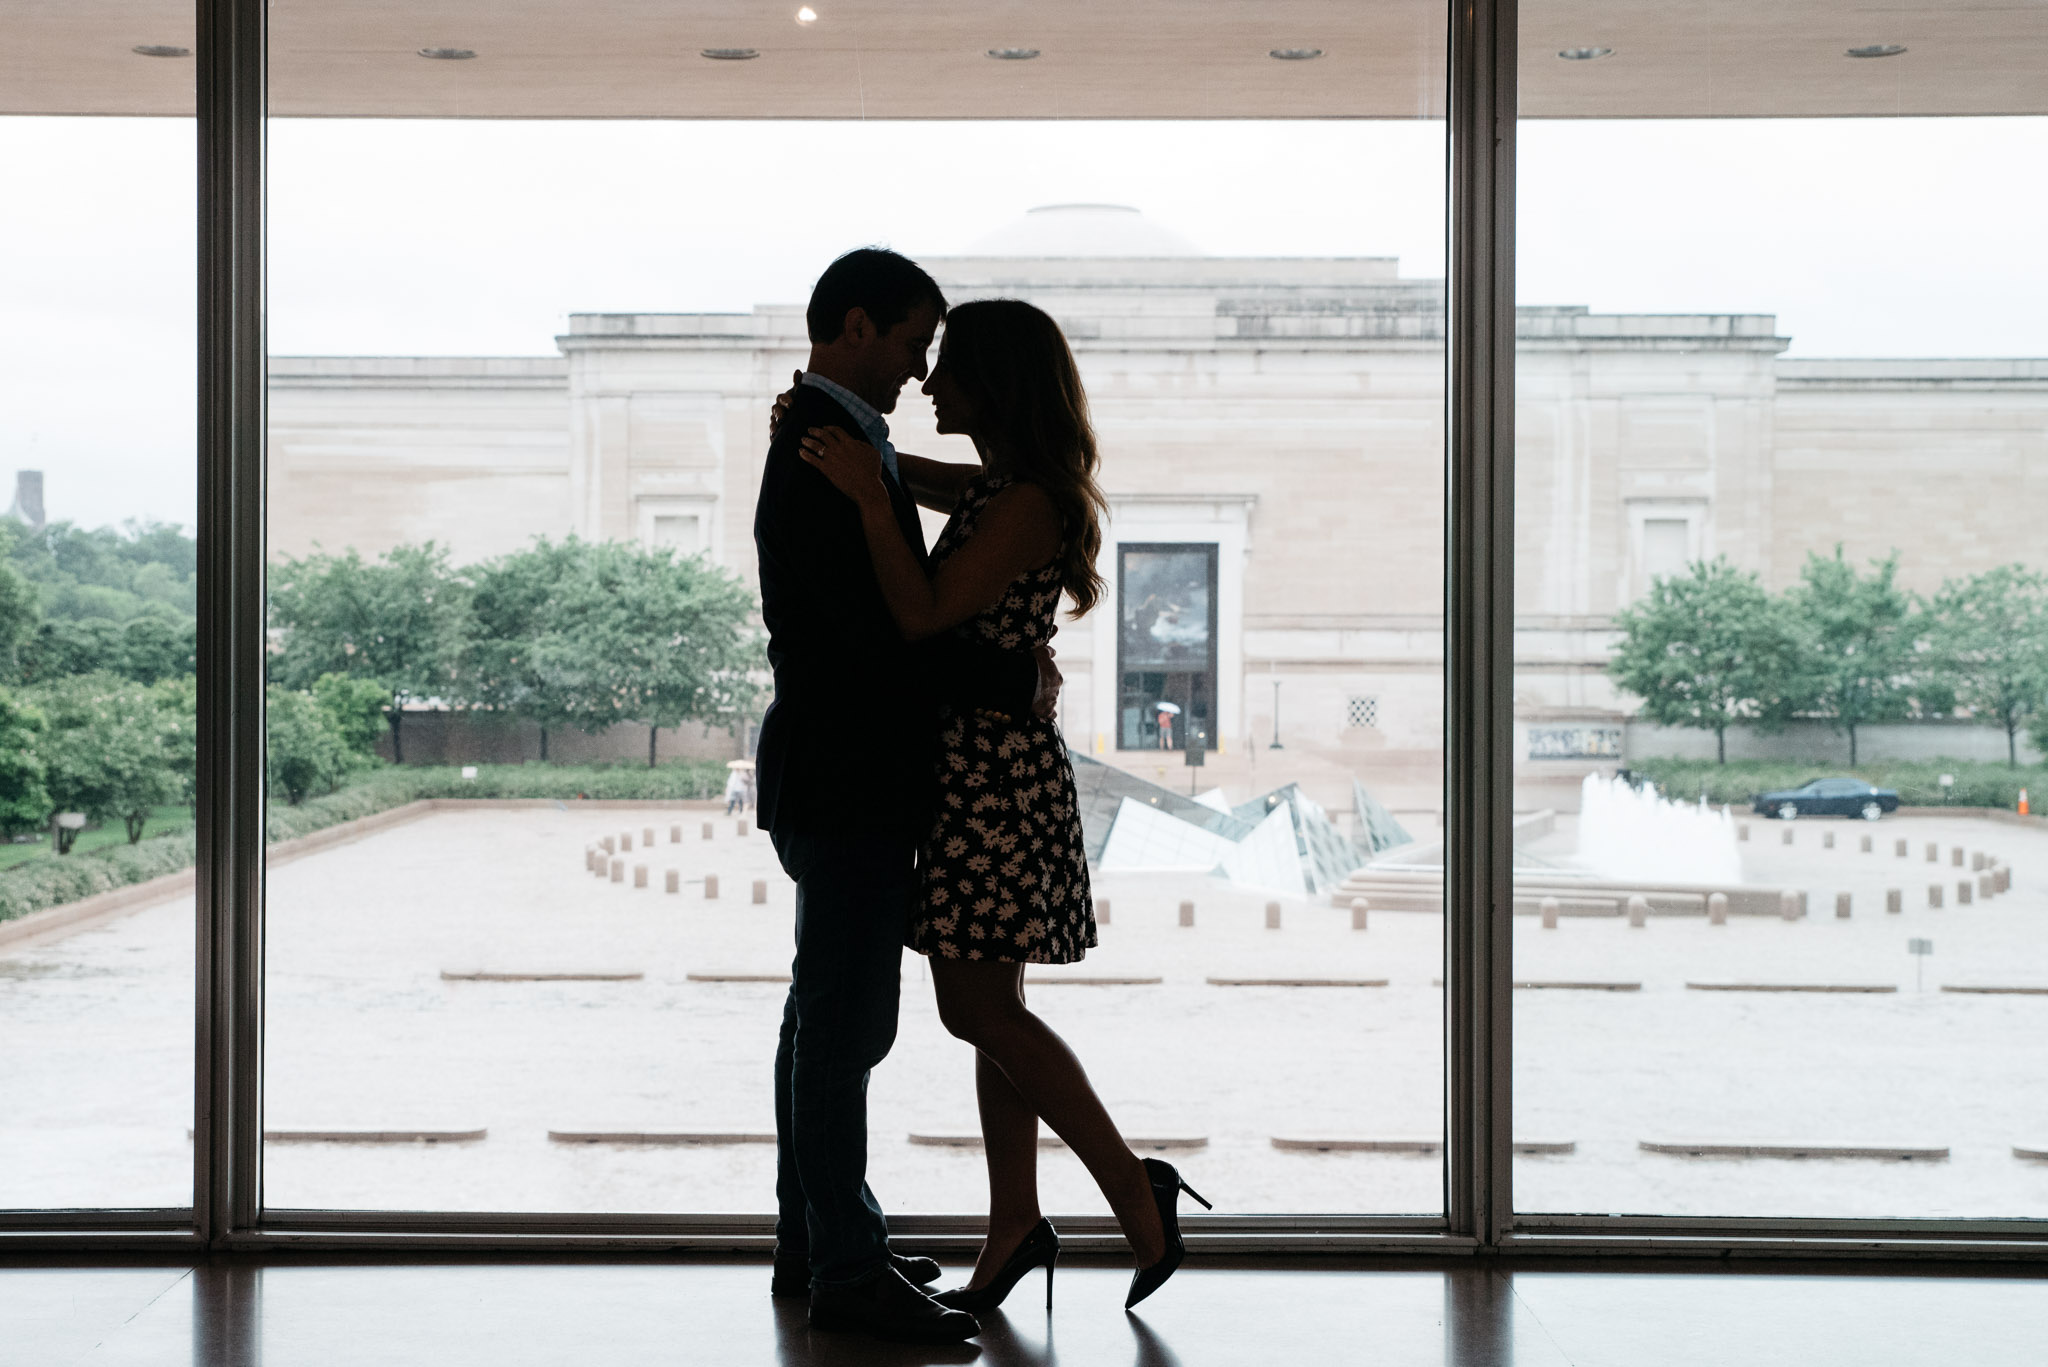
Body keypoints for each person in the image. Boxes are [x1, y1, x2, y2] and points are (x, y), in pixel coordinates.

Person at [795, 297, 1210, 1317]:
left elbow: (924, 612)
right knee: (996, 1015)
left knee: (973, 1008)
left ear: (994, 381)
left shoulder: (1024, 499)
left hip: (990, 777)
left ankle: (1132, 1191)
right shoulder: (1008, 483)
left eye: (948, 368)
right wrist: (871, 461)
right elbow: (927, 482)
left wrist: (862, 496)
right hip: (984, 766)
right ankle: (1014, 1219)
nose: (929, 383)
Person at [752, 249, 1061, 1345]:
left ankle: (818, 1239)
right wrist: (1009, 676)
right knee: (844, 1028)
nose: (921, 367)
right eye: (910, 341)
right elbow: (876, 639)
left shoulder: (838, 436)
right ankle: (842, 1266)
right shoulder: (822, 446)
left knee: (821, 1020)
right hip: (848, 775)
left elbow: (958, 509)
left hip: (835, 772)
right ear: (853, 326)